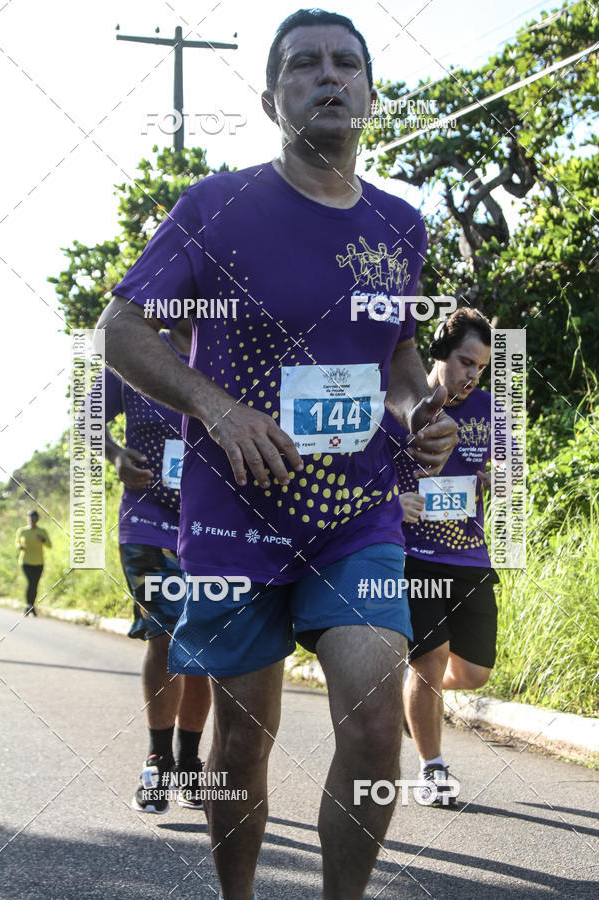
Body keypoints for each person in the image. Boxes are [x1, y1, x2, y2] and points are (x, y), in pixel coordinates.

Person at [97, 9, 458, 898]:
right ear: (271, 99)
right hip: (232, 524)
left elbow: (398, 357)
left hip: (355, 518)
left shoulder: (401, 225)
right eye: (304, 65)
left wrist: (416, 413)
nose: (327, 76)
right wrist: (215, 410)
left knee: (375, 725)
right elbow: (120, 327)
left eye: (346, 63)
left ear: (371, 93)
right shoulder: (214, 206)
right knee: (243, 744)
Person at [99, 319, 212, 814]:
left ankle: (189, 762)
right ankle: (158, 759)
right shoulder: (136, 353)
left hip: (215, 526)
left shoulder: (231, 352)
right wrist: (117, 455)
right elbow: (89, 420)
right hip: (148, 521)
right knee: (165, 635)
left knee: (204, 644)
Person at [389, 308, 497, 808]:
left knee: (474, 672)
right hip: (415, 554)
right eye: (465, 362)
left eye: (481, 367)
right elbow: (363, 471)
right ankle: (433, 768)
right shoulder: (402, 405)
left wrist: (495, 477)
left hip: (470, 557)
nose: (472, 375)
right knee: (428, 659)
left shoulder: (491, 409)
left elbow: (506, 466)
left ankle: (413, 700)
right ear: (439, 354)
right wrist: (392, 503)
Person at [16, 510, 51, 616]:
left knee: (35, 584)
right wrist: (19, 546)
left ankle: (31, 606)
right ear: (28, 519)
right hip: (25, 562)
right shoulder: (22, 531)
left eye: (35, 519)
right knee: (30, 583)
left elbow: (49, 545)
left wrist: (43, 539)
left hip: (39, 562)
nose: (33, 521)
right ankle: (28, 605)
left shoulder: (42, 531)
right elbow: (17, 542)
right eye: (31, 519)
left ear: (38, 520)